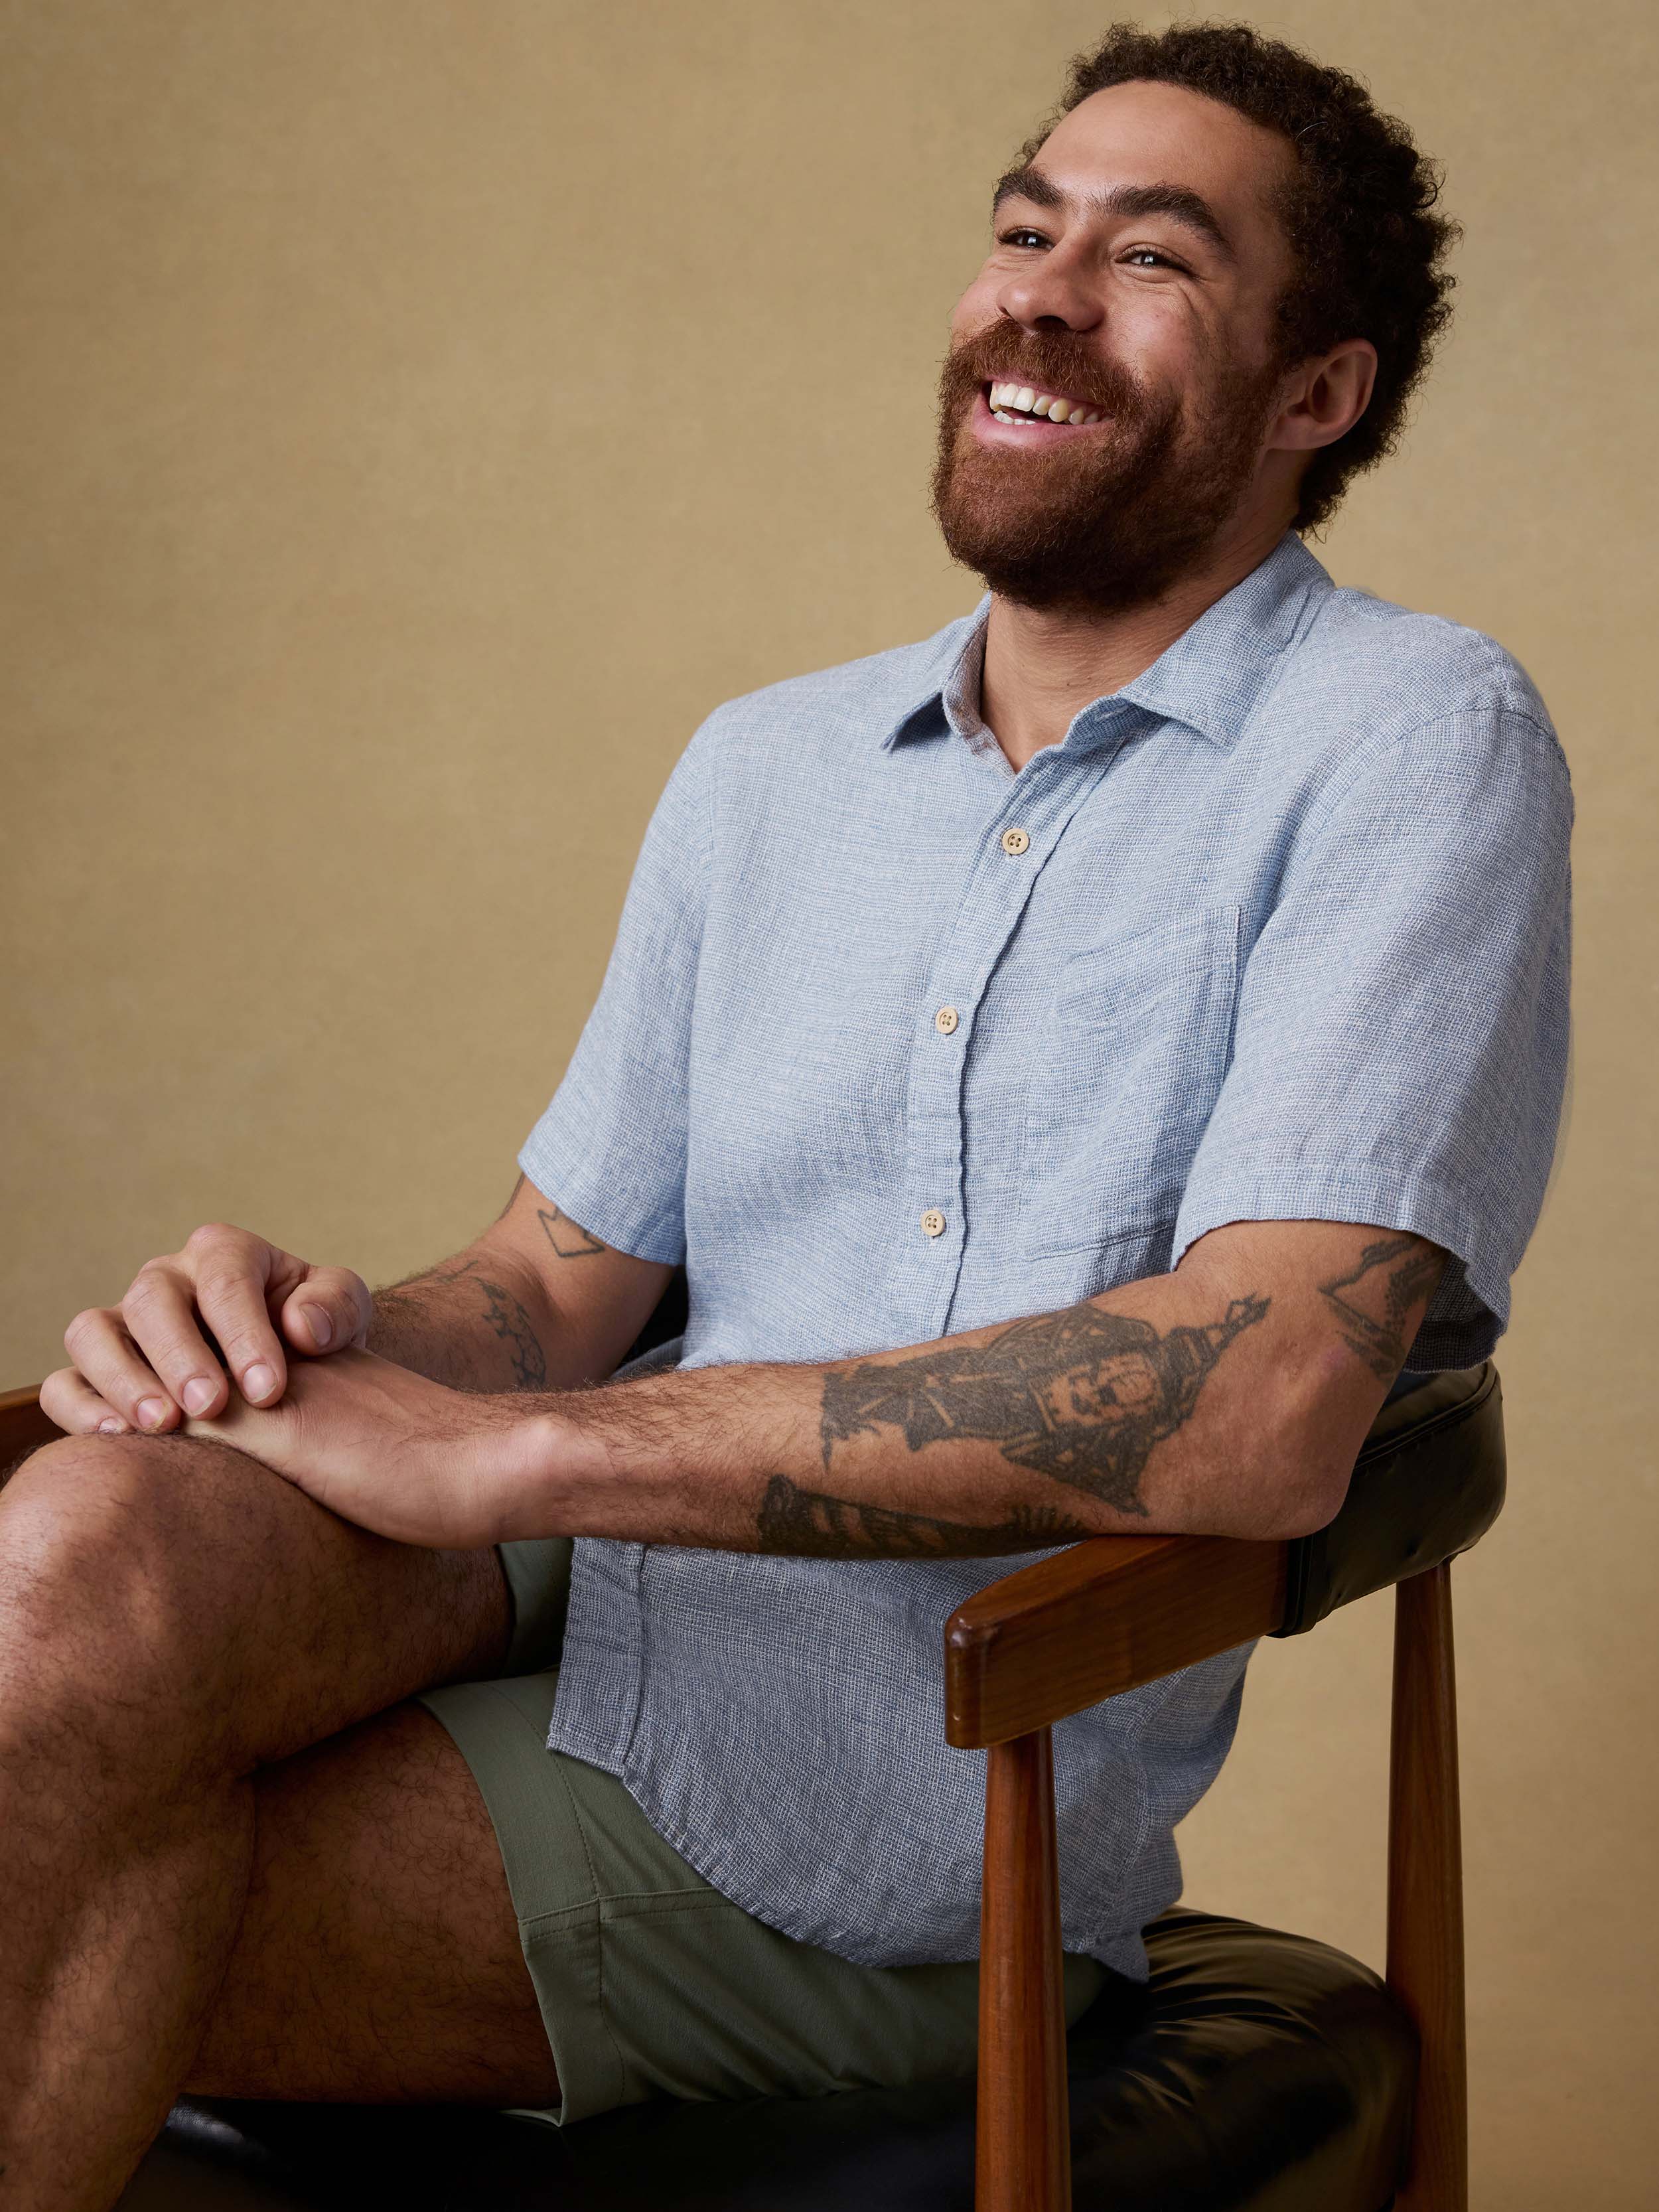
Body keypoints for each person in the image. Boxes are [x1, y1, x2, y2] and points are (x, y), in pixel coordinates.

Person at [3, 19, 1571, 2205]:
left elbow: (1265, 1396)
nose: (1036, 286)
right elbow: (554, 1283)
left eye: (1150, 258)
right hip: (585, 1590)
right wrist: (297, 1347)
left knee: (40, 1860)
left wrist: (532, 1451)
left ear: (1318, 394)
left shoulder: (1410, 738)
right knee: (78, 1533)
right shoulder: (769, 766)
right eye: (1022, 227)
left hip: (914, 1796)